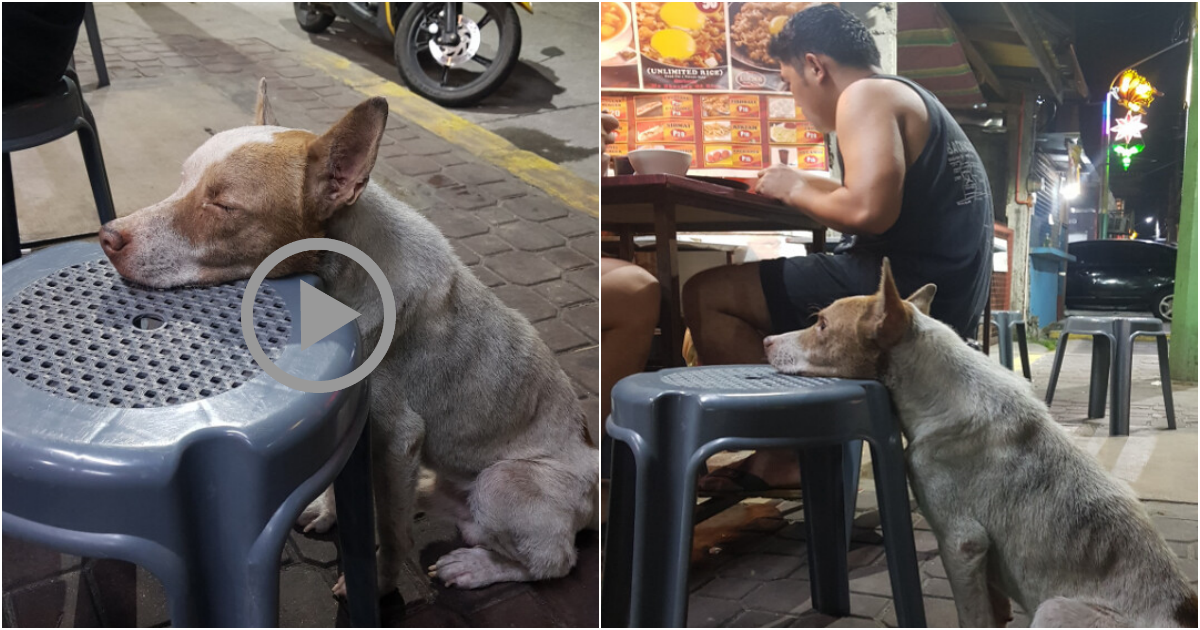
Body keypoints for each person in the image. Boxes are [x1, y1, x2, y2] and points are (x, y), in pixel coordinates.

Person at [684, 5, 992, 493]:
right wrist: (804, 182)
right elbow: (874, 200)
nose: (793, 97)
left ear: (814, 66)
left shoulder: (863, 96)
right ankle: (799, 443)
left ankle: (786, 454)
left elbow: (871, 212)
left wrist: (793, 188)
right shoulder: (908, 95)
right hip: (937, 300)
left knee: (706, 294)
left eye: (788, 83)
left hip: (896, 298)